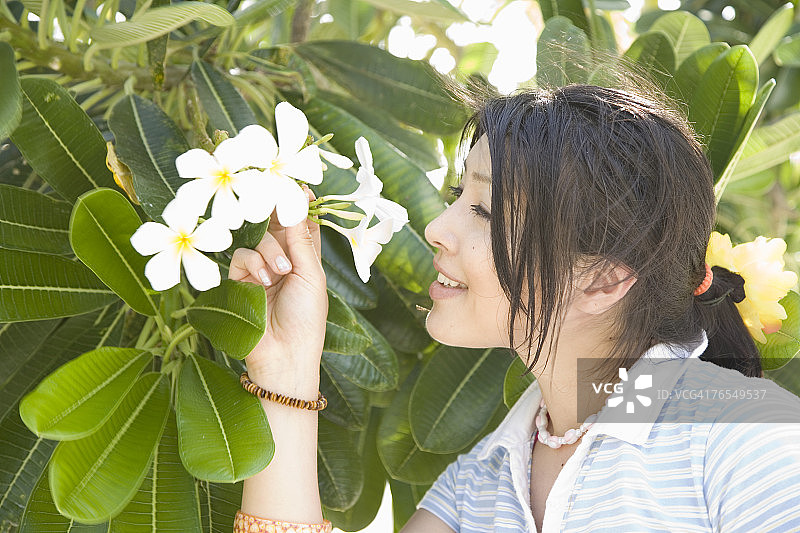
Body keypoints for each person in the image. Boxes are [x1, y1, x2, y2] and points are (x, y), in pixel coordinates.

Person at [228, 84, 800, 533]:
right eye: (459, 197)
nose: (435, 228)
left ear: (602, 278)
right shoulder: (482, 477)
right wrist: (287, 364)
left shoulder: (746, 435)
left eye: (484, 211)